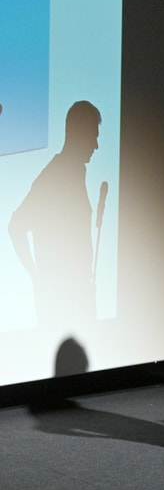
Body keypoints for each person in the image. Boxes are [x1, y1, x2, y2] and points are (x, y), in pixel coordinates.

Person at [9, 101, 102, 331]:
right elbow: (16, 225)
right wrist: (36, 276)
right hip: (61, 310)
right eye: (93, 136)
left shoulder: (73, 172)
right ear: (80, 133)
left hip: (77, 302)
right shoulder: (54, 176)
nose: (96, 145)